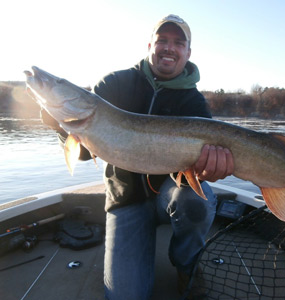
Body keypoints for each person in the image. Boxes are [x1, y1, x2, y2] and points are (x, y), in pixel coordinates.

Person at [42, 14, 234, 299]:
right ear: (150, 46)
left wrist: (210, 170)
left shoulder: (193, 102)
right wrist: (60, 126)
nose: (169, 48)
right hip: (126, 198)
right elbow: (82, 153)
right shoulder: (114, 84)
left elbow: (198, 171)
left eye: (178, 43)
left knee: (197, 200)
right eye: (162, 41)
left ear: (188, 52)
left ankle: (187, 265)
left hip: (171, 194)